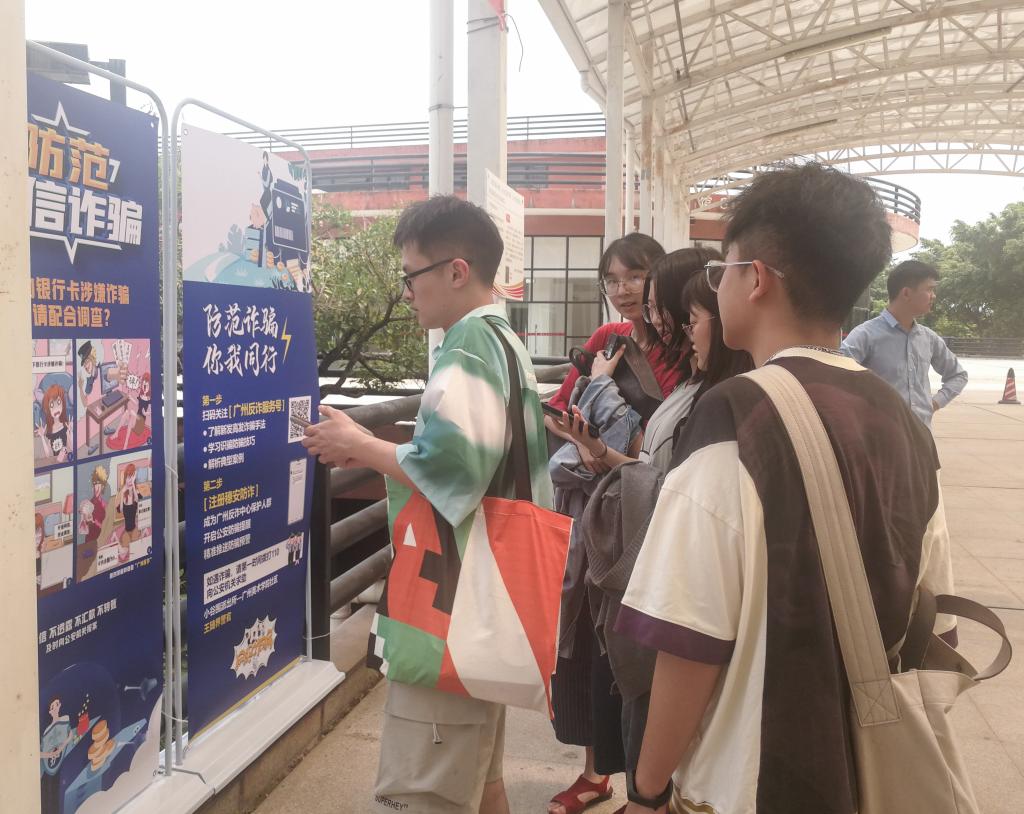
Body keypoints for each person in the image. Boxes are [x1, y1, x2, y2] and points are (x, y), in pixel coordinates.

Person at [615, 163, 955, 814]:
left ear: (757, 280)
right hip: (866, 778)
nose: (717, 287)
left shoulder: (734, 416)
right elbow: (933, 619)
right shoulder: (901, 421)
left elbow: (689, 640)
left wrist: (646, 791)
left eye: (723, 270)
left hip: (749, 785)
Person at [302, 195, 552, 814]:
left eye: (411, 275)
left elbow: (454, 468)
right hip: (487, 602)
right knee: (480, 780)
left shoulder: (466, 344)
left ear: (456, 271)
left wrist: (359, 443)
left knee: (424, 791)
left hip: (452, 604)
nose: (407, 292)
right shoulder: (504, 338)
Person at [546, 233, 679, 416]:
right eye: (612, 281)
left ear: (659, 277)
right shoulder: (607, 336)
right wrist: (571, 430)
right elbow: (556, 406)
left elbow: (656, 432)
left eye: (635, 277)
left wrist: (599, 385)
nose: (622, 291)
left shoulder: (677, 351)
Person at [841, 259, 968, 427]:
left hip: (921, 434)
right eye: (929, 289)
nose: (933, 296)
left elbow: (958, 375)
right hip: (881, 435)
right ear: (906, 293)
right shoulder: (866, 335)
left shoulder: (929, 338)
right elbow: (836, 374)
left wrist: (934, 403)